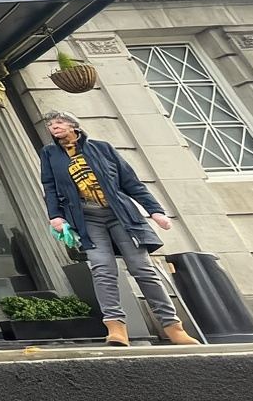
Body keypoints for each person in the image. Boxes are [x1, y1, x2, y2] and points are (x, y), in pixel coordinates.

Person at [39, 110, 201, 347]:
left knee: (143, 269)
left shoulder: (102, 148)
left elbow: (130, 181)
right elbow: (50, 186)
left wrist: (155, 211)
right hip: (87, 219)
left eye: (60, 122)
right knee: (102, 270)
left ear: (74, 125)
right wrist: (55, 215)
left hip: (121, 216)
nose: (54, 127)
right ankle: (116, 328)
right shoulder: (50, 154)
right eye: (51, 125)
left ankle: (173, 328)